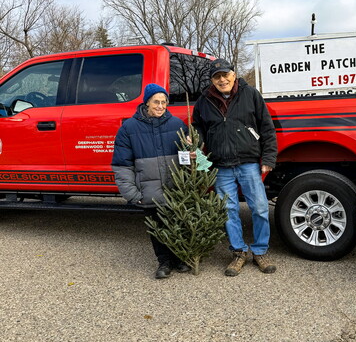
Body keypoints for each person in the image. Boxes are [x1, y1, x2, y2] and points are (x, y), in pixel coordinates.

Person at [192, 59, 278, 276]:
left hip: (248, 162)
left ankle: (260, 251)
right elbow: (198, 127)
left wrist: (268, 158)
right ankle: (239, 252)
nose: (222, 80)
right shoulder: (204, 100)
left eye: (225, 75)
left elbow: (267, 127)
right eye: (217, 77)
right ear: (212, 80)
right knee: (228, 211)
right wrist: (195, 142)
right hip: (220, 166)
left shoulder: (251, 95)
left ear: (233, 74)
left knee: (259, 208)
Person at [112, 83, 191, 279]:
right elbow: (122, 164)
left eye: (164, 102)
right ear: (147, 102)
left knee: (177, 223)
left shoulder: (177, 125)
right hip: (149, 191)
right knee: (157, 228)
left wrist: (192, 151)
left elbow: (189, 157)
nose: (160, 106)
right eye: (156, 101)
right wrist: (131, 194)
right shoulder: (129, 128)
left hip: (175, 188)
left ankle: (180, 258)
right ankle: (164, 262)